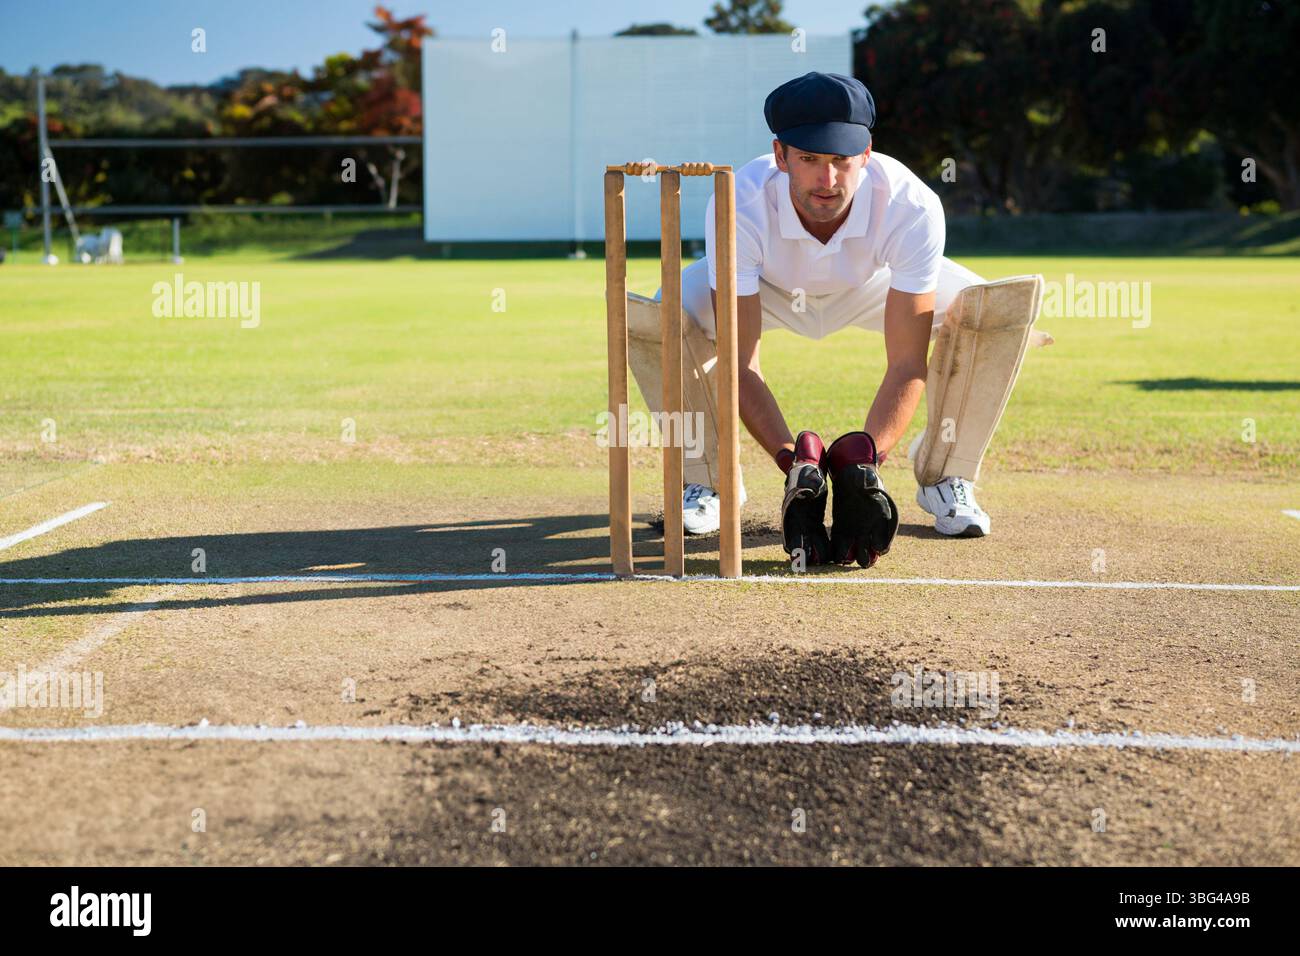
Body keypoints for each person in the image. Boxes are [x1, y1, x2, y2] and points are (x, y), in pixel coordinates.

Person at [623, 72, 1048, 567]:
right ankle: (708, 481)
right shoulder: (738, 202)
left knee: (996, 311)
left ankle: (944, 476)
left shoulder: (912, 205)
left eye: (842, 161)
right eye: (809, 159)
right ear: (780, 155)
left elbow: (907, 362)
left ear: (867, 153)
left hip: (871, 285)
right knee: (659, 320)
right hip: (770, 288)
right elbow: (741, 364)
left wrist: (861, 465)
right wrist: (794, 462)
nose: (828, 181)